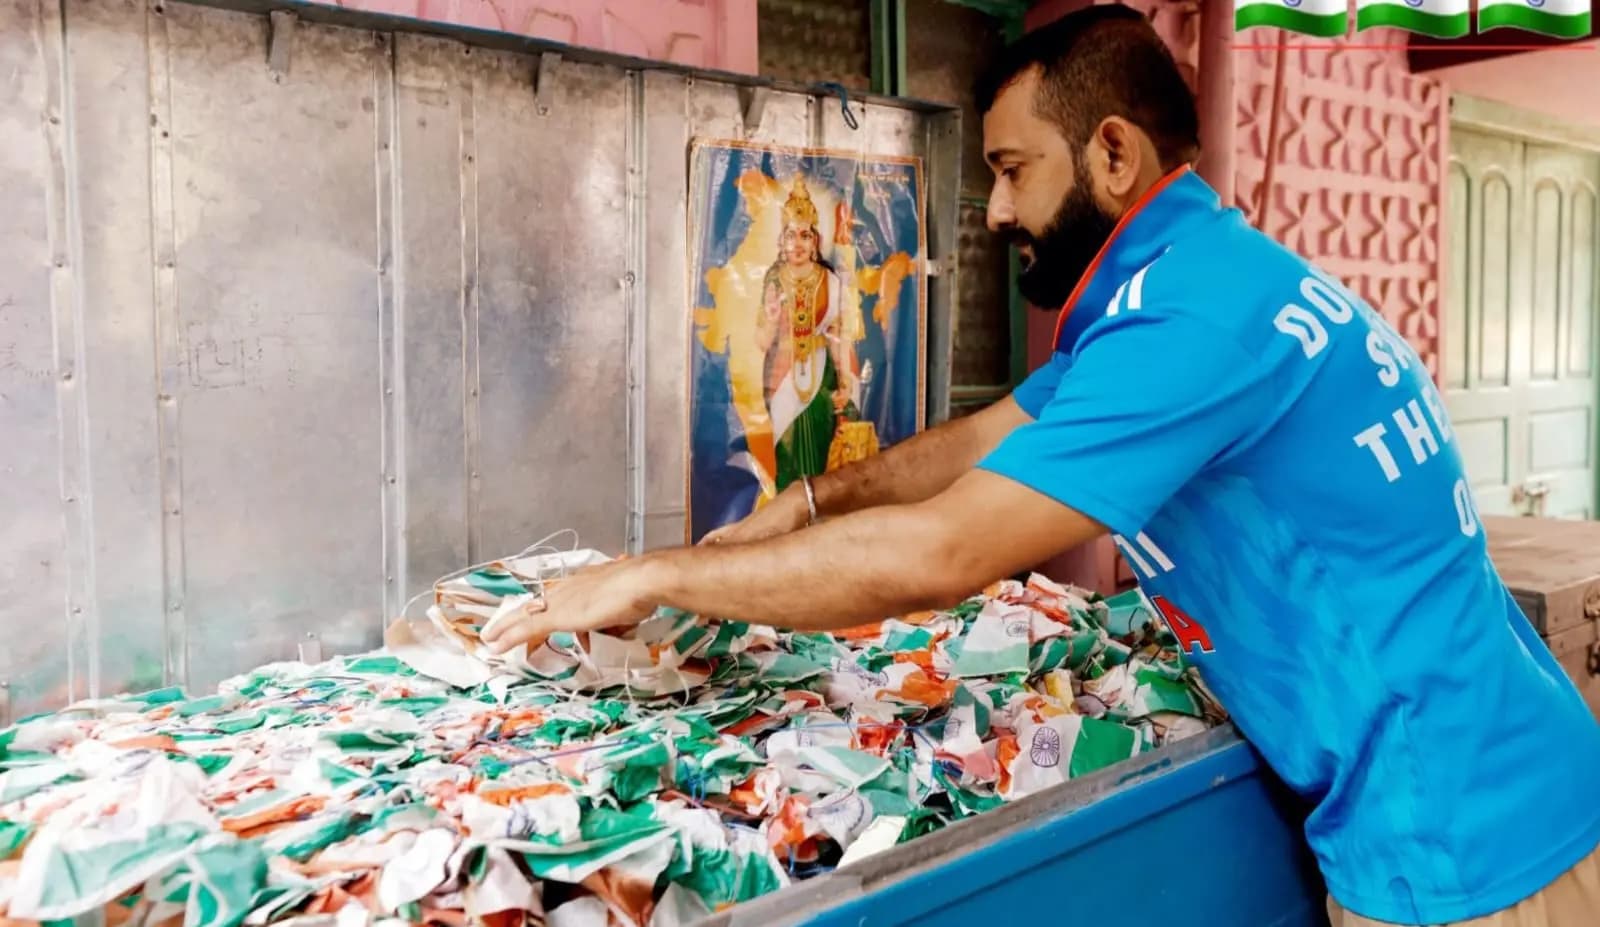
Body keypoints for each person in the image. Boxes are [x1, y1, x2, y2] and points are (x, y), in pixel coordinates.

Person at [485, 6, 1600, 925]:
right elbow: (978, 444)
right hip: (1494, 781)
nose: (996, 209)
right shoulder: (1185, 287)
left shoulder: (1190, 325)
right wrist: (804, 501)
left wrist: (658, 576)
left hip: (1466, 842)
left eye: (1014, 169)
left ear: (1112, 151)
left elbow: (943, 552)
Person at [754, 174, 869, 494]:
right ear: (781, 241)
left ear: (816, 241)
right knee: (787, 454)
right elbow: (762, 341)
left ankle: (815, 521)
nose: (798, 244)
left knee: (820, 458)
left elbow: (839, 338)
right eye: (791, 235)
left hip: (822, 380)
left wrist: (845, 382)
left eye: (805, 235)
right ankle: (786, 519)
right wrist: (772, 317)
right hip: (780, 377)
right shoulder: (774, 279)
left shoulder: (830, 282)